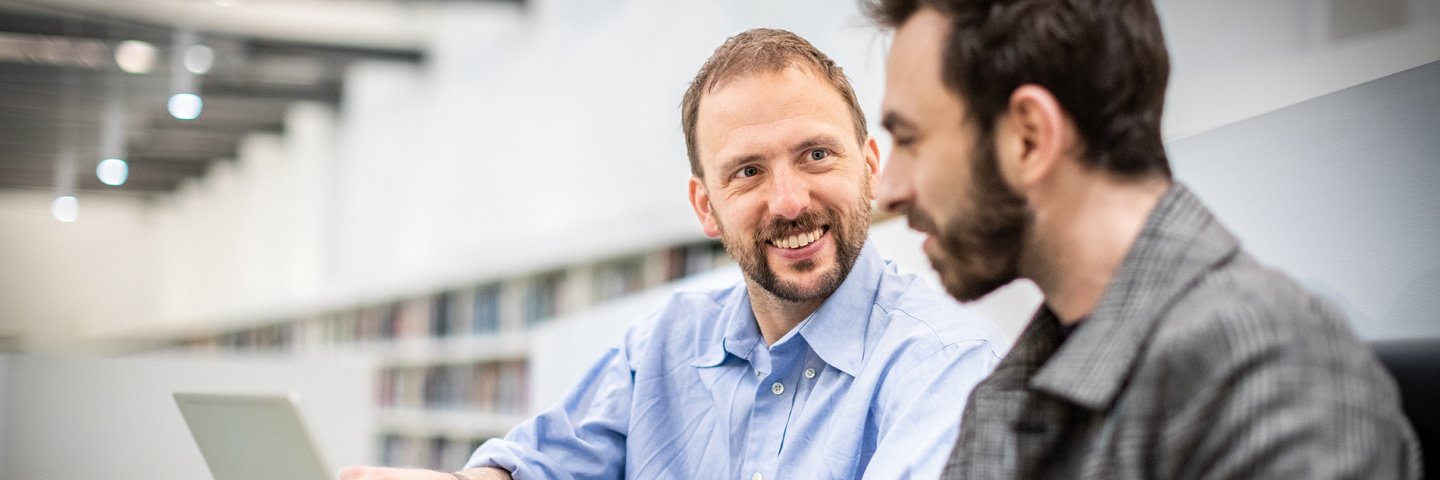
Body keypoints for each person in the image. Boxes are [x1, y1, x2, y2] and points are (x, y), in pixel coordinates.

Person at [339, 28, 1007, 480]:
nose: (788, 201)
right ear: (704, 207)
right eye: (746, 172)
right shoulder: (661, 345)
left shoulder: (946, 365)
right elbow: (538, 464)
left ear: (868, 165)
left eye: (816, 155)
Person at [866, 0, 1423, 479]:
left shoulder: (1267, 365)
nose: (887, 190)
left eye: (910, 139)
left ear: (1030, 138)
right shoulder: (1015, 390)